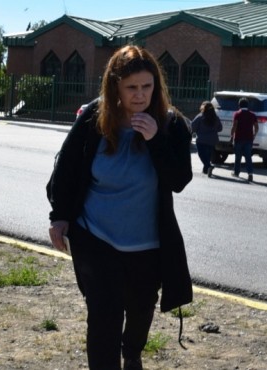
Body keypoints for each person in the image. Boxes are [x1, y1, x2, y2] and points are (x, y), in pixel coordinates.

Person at [46, 45, 193, 370]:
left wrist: (156, 141)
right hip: (95, 236)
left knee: (141, 308)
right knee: (103, 315)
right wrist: (60, 217)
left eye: (146, 86)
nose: (140, 95)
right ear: (115, 86)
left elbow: (179, 180)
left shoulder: (172, 125)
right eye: (131, 88)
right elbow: (66, 169)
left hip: (147, 244)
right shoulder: (93, 119)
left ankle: (133, 351)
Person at [191, 101, 223, 177]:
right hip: (212, 140)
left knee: (201, 154)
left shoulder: (200, 116)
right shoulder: (216, 118)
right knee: (208, 155)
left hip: (201, 140)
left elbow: (193, 126)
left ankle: (209, 166)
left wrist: (197, 130)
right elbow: (220, 128)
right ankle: (206, 170)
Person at [230, 97, 258, 181]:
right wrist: (254, 135)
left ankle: (236, 172)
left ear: (239, 105)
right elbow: (256, 126)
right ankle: (250, 174)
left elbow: (234, 126)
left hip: (238, 138)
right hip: (249, 138)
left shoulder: (237, 114)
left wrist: (232, 136)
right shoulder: (252, 114)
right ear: (247, 105)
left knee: (238, 156)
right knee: (248, 157)